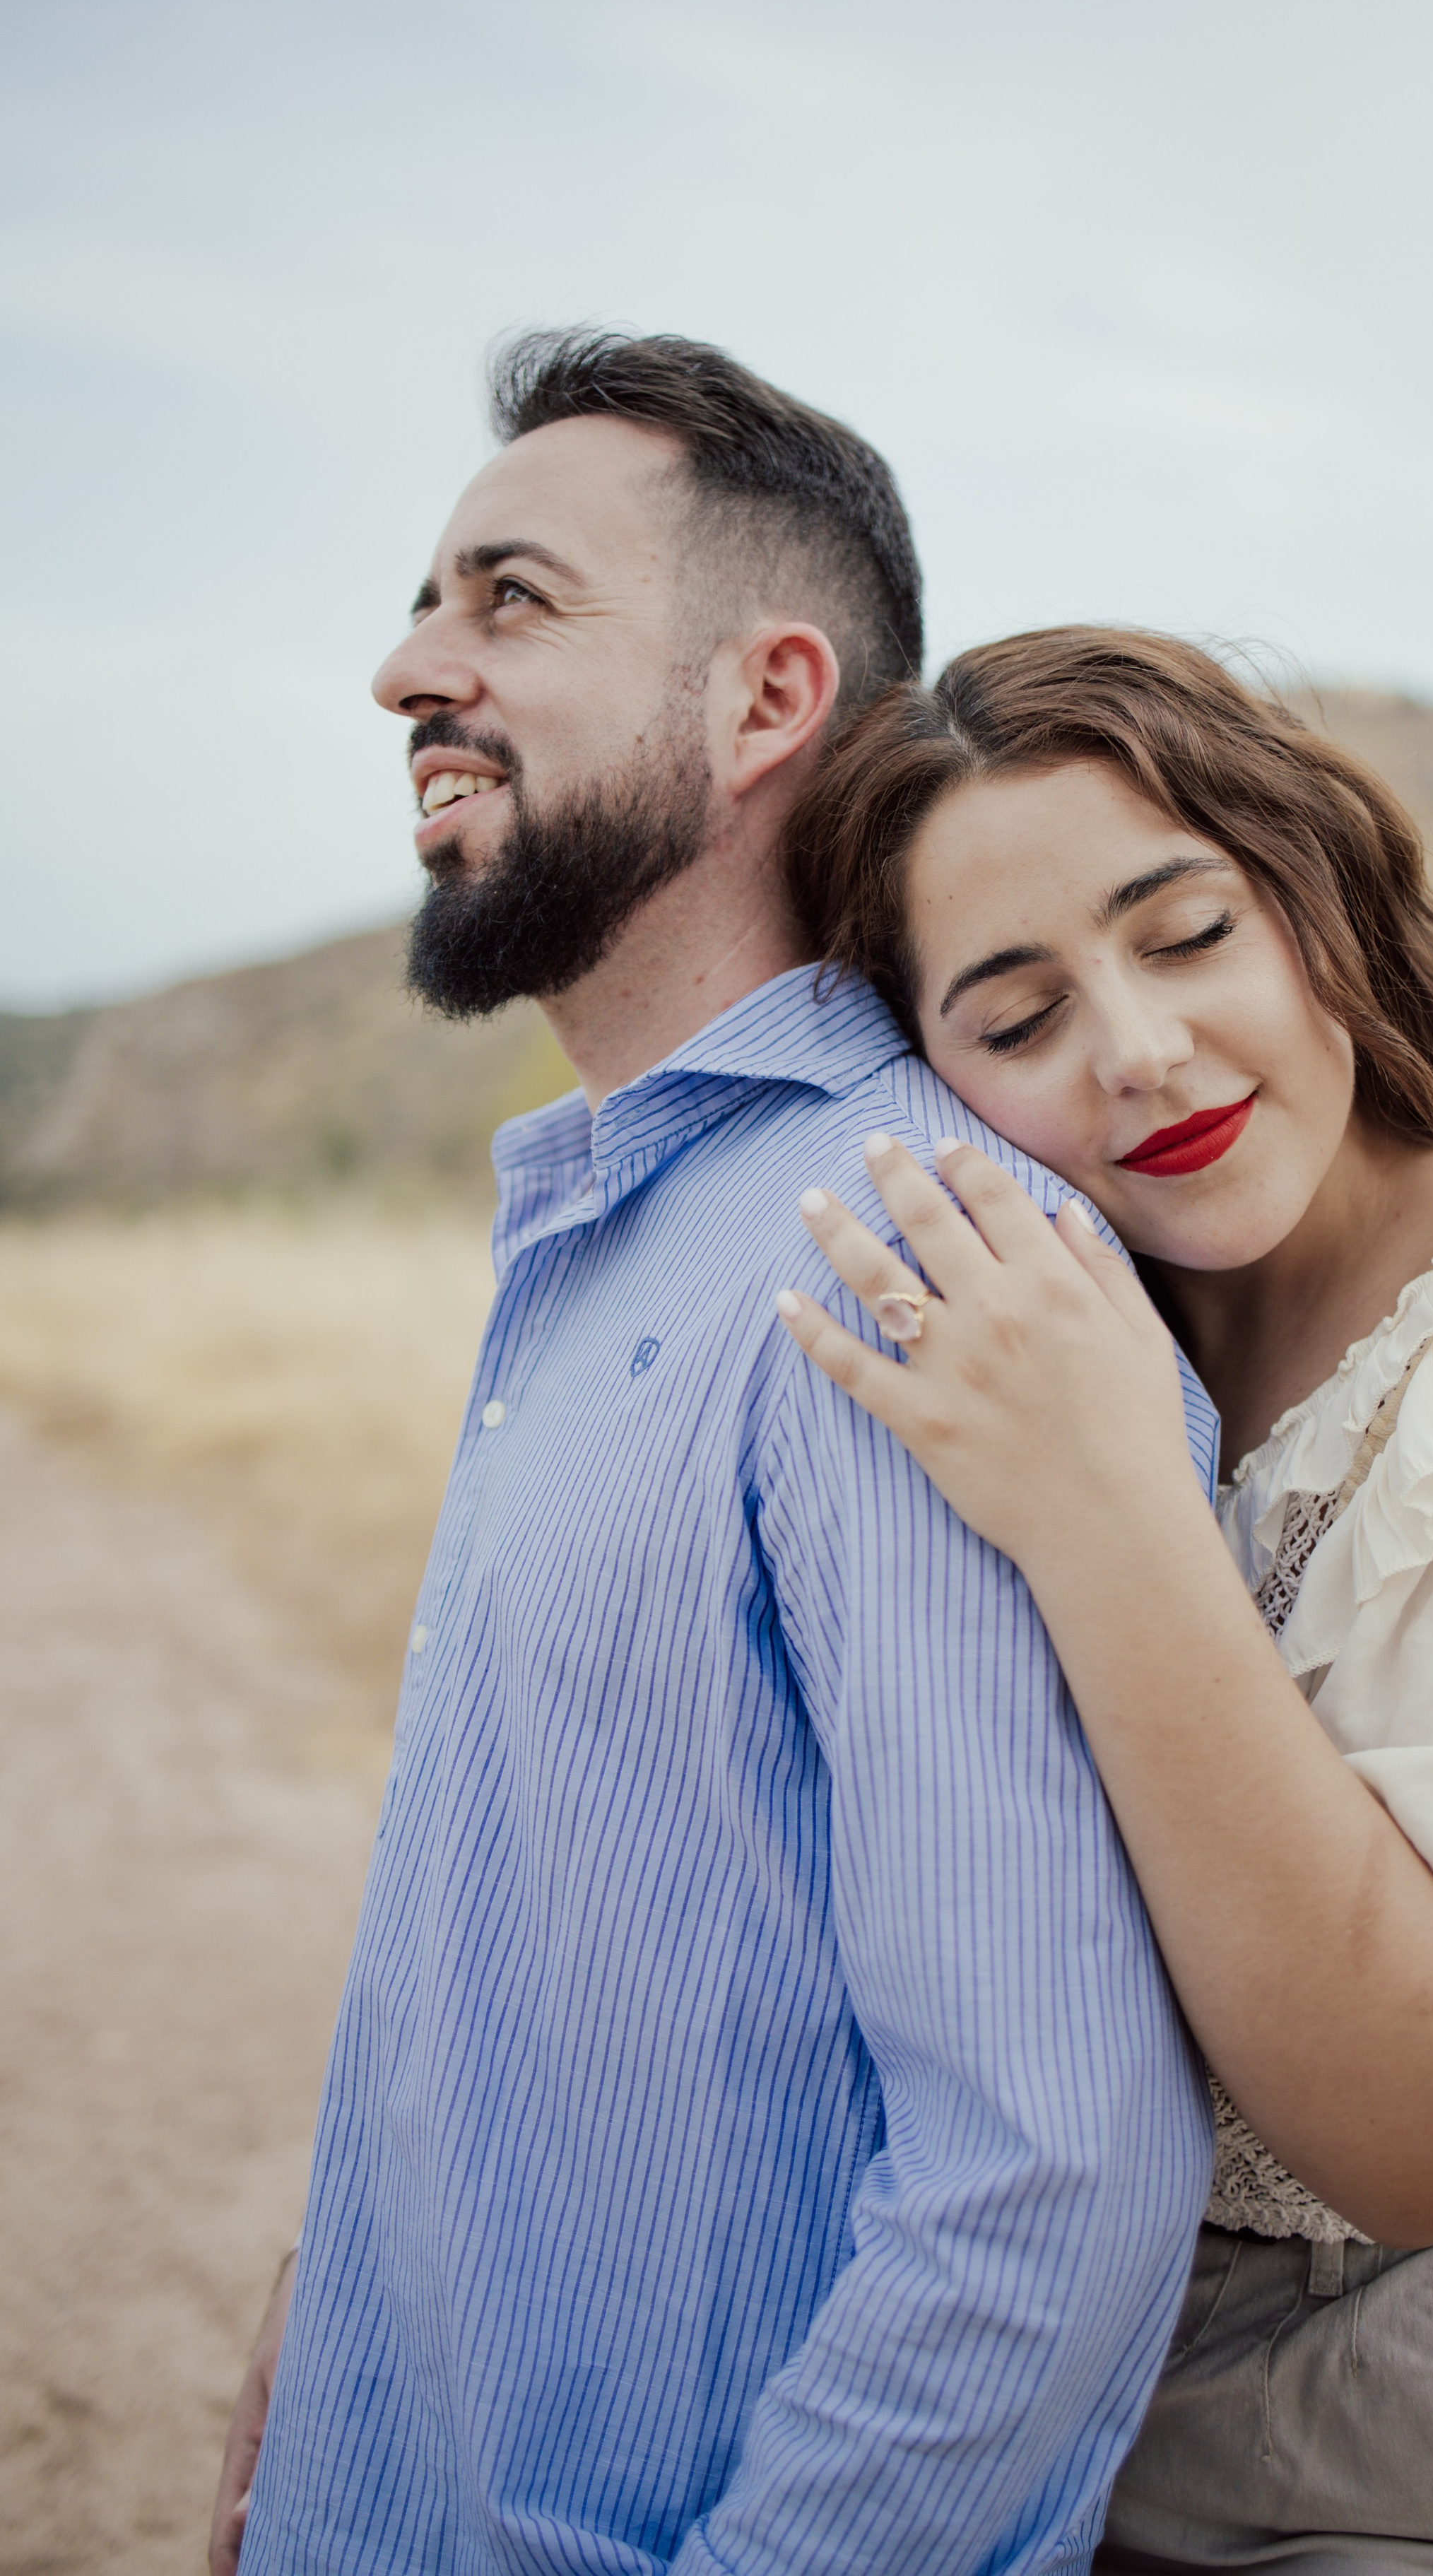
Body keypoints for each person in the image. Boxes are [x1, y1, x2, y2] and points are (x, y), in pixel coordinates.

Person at [211, 353, 1214, 2576]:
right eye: (423, 600)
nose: (408, 669)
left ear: (768, 699)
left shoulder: (915, 1259)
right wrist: (336, 2345)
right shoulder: (615, 1216)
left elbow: (1046, 2190)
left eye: (509, 601)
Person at [777, 625, 1433, 2572]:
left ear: (1313, 896)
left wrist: (1104, 1518)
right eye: (1016, 1021)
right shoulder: (1077, 1338)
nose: (1139, 1048)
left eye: (1185, 936)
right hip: (1065, 2379)